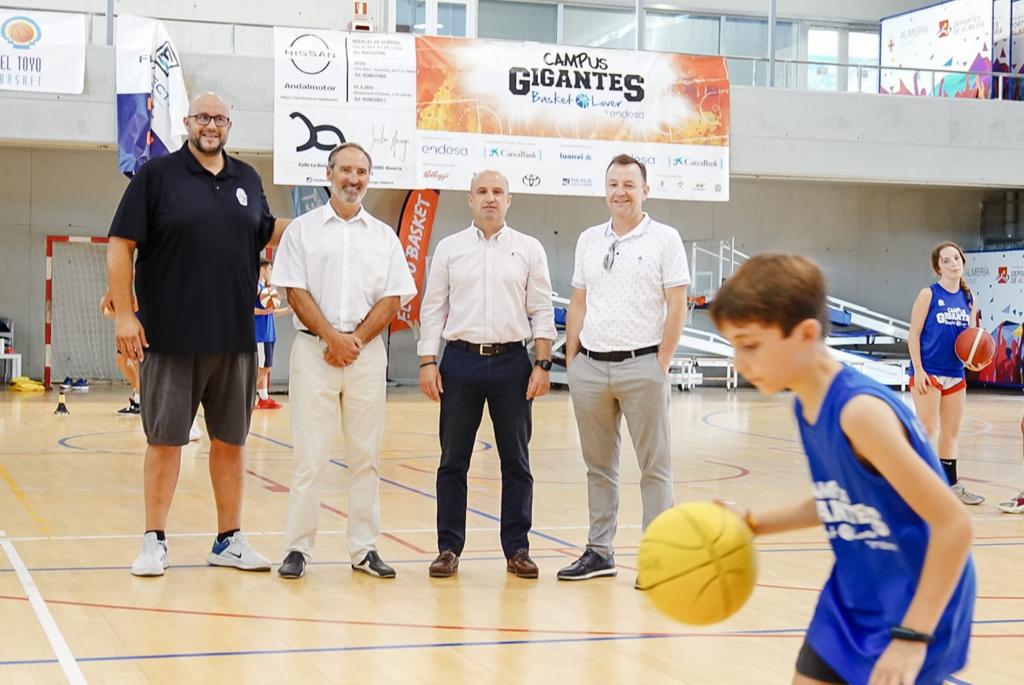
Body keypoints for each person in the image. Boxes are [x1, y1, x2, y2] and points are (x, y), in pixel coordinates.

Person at [709, 253, 975, 685]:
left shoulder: (858, 412)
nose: (740, 362)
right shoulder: (805, 403)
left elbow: (954, 524)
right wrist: (754, 524)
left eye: (750, 344)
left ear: (805, 334)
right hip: (854, 593)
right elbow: (842, 496)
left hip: (917, 600)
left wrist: (912, 636)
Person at [106, 92, 290, 577]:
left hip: (234, 338)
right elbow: (121, 244)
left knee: (230, 443)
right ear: (188, 121)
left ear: (230, 125)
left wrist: (330, 220)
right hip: (169, 337)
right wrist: (126, 314)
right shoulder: (156, 176)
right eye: (203, 117)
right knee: (165, 443)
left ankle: (228, 540)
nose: (211, 125)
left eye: (220, 119)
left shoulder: (246, 178)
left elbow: (268, 231)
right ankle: (153, 541)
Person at [272, 142, 416, 580]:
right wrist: (333, 338)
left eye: (361, 171)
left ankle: (364, 548)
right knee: (309, 457)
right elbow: (294, 290)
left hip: (366, 355)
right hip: (313, 352)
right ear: (329, 173)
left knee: (365, 457)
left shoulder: (383, 236)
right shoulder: (303, 230)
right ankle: (298, 549)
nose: (353, 179)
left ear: (368, 178)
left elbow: (393, 297)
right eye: (346, 170)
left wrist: (354, 341)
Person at [558, 154, 690, 581]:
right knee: (598, 467)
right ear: (605, 189)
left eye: (629, 184)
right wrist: (573, 360)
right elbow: (579, 301)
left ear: (645, 190)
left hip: (642, 366)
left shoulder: (666, 239)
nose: (620, 191)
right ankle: (600, 551)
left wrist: (661, 362)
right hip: (590, 369)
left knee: (655, 467)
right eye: (613, 183)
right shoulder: (588, 239)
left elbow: (677, 305)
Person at [418, 170, 555, 579]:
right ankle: (448, 548)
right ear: (470, 199)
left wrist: (543, 364)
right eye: (482, 191)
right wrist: (428, 361)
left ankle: (517, 548)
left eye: (497, 192)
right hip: (459, 363)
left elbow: (542, 309)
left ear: (509, 200)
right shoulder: (449, 248)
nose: (490, 198)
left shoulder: (529, 249)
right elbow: (433, 308)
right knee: (452, 460)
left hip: (514, 362)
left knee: (516, 462)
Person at [907, 242, 984, 505]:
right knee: (926, 429)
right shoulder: (929, 294)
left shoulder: (969, 298)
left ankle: (951, 485)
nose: (954, 264)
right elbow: (913, 334)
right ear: (938, 267)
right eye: (947, 260)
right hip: (929, 372)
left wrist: (975, 362)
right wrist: (918, 370)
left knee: (951, 433)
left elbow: (970, 341)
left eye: (956, 258)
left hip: (955, 373)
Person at [254, 258, 289, 409]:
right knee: (264, 367)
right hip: (260, 334)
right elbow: (247, 309)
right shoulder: (256, 287)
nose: (271, 273)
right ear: (262, 269)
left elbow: (271, 313)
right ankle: (246, 397)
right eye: (269, 269)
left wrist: (288, 310)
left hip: (269, 333)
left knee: (266, 366)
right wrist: (264, 311)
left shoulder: (266, 289)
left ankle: (263, 398)